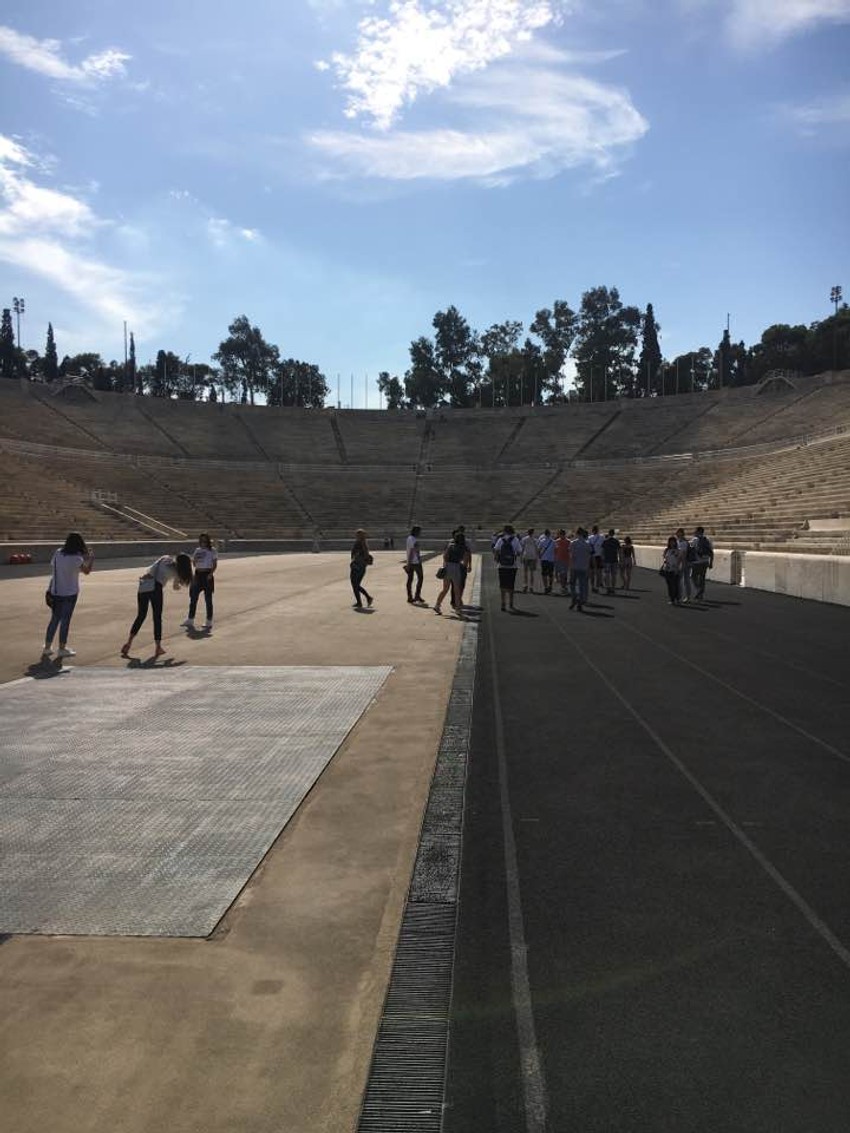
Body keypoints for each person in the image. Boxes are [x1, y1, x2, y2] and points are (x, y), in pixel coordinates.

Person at [120, 552, 193, 658]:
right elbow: (175, 587)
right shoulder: (176, 572)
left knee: (141, 616)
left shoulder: (165, 558)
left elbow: (150, 570)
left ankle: (128, 643)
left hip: (144, 585)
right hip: (156, 589)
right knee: (157, 618)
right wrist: (178, 581)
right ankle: (158, 647)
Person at [42, 532, 94, 660]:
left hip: (56, 591)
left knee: (54, 619)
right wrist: (91, 559)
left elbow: (55, 567)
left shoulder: (58, 553)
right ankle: (62, 648)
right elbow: (86, 571)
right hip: (70, 593)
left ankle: (47, 647)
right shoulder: (76, 558)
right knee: (65, 620)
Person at [182, 533, 217, 630]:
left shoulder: (212, 550)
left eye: (205, 541)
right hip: (197, 575)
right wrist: (194, 560)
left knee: (208, 599)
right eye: (201, 541)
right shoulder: (197, 550)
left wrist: (211, 574)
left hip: (207, 575)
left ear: (208, 541)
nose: (203, 542)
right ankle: (190, 619)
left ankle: (209, 621)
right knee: (193, 598)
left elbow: (214, 564)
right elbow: (193, 563)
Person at [434, 529, 467, 616]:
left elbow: (445, 556)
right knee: (457, 590)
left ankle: (437, 604)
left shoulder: (450, 546)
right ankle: (457, 609)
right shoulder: (463, 548)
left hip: (448, 566)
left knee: (445, 589)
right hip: (456, 567)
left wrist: (445, 565)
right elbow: (464, 560)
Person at [493, 524, 523, 612]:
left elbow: (496, 550)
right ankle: (511, 603)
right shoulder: (516, 540)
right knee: (511, 585)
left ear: (504, 531)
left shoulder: (500, 539)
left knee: (502, 585)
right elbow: (519, 551)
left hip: (501, 565)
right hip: (512, 565)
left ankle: (503, 603)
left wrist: (497, 558)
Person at [568, 527, 592, 611]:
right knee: (582, 586)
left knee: (572, 584)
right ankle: (580, 602)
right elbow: (589, 557)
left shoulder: (573, 543)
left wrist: (570, 566)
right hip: (584, 567)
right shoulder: (587, 544)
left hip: (575, 567)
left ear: (577, 534)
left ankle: (574, 598)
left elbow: (572, 557)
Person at [350, 529, 374, 609]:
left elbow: (355, 554)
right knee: (356, 585)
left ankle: (363, 600)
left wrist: (355, 559)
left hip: (357, 566)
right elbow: (366, 556)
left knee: (355, 584)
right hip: (362, 567)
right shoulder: (365, 543)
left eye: (357, 534)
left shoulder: (358, 543)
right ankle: (366, 599)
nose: (355, 535)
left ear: (359, 535)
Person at [691, 526, 714, 600]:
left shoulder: (694, 540)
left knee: (693, 577)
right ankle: (701, 594)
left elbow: (691, 551)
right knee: (702, 579)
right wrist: (711, 563)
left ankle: (698, 590)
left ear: (698, 532)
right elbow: (711, 552)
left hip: (696, 562)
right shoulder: (708, 540)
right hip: (705, 561)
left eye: (695, 531)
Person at [405, 525, 424, 604]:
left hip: (412, 562)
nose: (420, 533)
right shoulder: (413, 539)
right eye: (419, 531)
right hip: (415, 562)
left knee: (410, 580)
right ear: (416, 531)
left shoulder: (410, 538)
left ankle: (411, 596)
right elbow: (412, 551)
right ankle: (416, 595)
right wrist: (409, 563)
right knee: (420, 578)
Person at [661, 536, 683, 605]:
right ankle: (672, 599)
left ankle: (678, 598)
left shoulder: (678, 550)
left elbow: (679, 560)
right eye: (670, 542)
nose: (672, 543)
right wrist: (665, 562)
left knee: (676, 585)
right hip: (668, 569)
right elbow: (664, 557)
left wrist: (677, 567)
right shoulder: (666, 550)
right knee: (670, 585)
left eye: (673, 542)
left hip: (675, 569)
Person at [676, 527, 693, 603]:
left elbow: (683, 554)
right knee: (681, 581)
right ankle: (681, 596)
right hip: (682, 563)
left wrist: (680, 564)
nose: (677, 534)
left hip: (684, 563)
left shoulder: (683, 542)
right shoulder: (678, 542)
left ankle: (687, 596)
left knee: (685, 580)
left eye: (678, 533)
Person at [601, 529, 621, 595]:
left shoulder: (605, 541)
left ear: (609, 533)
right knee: (613, 575)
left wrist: (602, 559)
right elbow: (619, 551)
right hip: (614, 560)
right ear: (613, 534)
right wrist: (620, 559)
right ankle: (613, 588)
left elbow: (602, 551)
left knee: (607, 574)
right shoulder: (616, 541)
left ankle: (608, 587)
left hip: (607, 560)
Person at [520, 527, 539, 593]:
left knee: (525, 572)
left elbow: (522, 548)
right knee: (532, 572)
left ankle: (525, 585)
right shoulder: (535, 540)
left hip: (526, 556)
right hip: (533, 556)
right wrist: (537, 558)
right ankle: (531, 586)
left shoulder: (524, 539)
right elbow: (537, 549)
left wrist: (521, 556)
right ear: (533, 533)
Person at [537, 528, 556, 594]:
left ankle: (545, 587)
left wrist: (539, 556)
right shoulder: (553, 541)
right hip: (551, 559)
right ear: (549, 534)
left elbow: (538, 549)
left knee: (544, 574)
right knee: (551, 574)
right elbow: (555, 550)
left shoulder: (542, 541)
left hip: (544, 559)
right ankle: (550, 585)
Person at [554, 529, 571, 595]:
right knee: (561, 573)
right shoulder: (557, 541)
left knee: (564, 573)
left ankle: (564, 586)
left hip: (565, 559)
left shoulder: (568, 542)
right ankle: (563, 586)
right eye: (561, 534)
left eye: (562, 534)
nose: (562, 536)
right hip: (559, 559)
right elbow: (555, 551)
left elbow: (570, 551)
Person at [588, 525, 605, 592]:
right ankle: (597, 586)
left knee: (592, 573)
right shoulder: (602, 537)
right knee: (599, 573)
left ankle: (592, 586)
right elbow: (603, 547)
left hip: (592, 556)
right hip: (598, 556)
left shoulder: (589, 538)